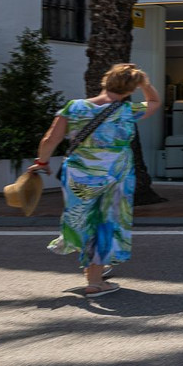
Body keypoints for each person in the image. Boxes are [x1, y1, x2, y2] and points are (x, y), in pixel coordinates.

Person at [26, 63, 161, 298]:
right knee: (106, 222)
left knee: (82, 217)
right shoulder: (128, 110)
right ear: (131, 89)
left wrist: (42, 162)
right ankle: (95, 280)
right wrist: (145, 84)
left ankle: (92, 266)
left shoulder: (74, 107)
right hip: (115, 175)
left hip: (79, 175)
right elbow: (155, 102)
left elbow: (50, 139)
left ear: (105, 81)